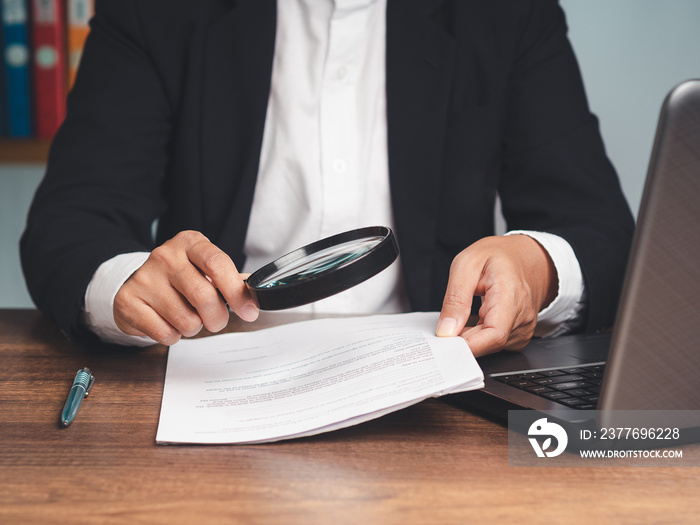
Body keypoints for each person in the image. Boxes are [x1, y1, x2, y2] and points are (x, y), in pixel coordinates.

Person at [21, 0, 635, 357]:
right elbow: (71, 224)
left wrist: (537, 265)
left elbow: (600, 231)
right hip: (209, 376)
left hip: (434, 390)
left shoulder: (507, 12)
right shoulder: (154, 10)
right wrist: (126, 284)